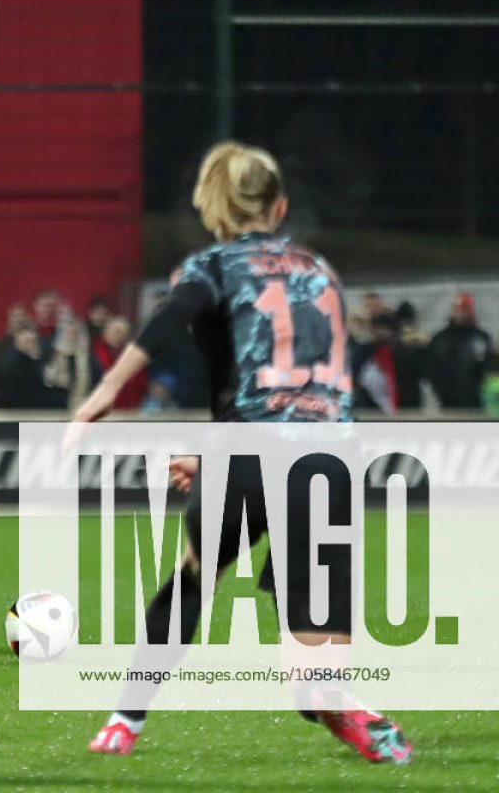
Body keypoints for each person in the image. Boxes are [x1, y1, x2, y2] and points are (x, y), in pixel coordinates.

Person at [72, 141, 412, 764]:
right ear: (280, 207)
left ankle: (124, 721)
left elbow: (170, 319)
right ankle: (344, 705)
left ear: (211, 209)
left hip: (249, 453)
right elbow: (307, 389)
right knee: (313, 676)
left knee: (196, 576)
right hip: (330, 461)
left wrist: (105, 391)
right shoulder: (320, 270)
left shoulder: (212, 266)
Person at [427, 292, 491, 409]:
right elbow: (432, 367)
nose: (460, 313)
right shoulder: (440, 338)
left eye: (464, 309)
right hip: (447, 401)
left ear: (471, 312)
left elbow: (487, 367)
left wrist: (480, 389)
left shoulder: (480, 338)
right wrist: (440, 391)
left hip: (475, 401)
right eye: (456, 309)